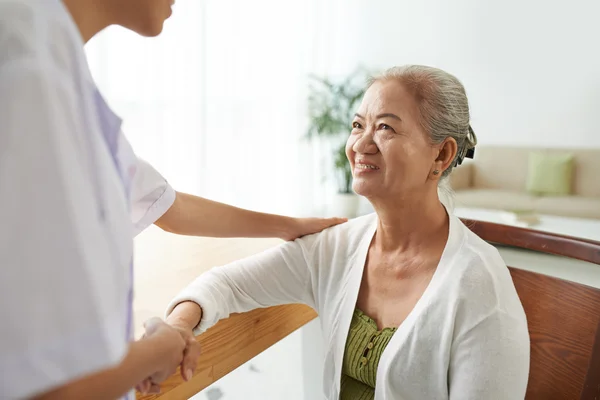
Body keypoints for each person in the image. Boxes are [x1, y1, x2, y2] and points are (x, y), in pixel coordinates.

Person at [0, 1, 345, 399]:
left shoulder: (55, 70)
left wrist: (290, 225)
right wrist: (154, 352)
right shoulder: (29, 80)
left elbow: (168, 205)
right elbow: (45, 388)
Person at [165, 65, 531, 400]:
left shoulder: (480, 287)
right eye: (358, 125)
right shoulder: (339, 246)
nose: (360, 145)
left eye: (385, 127)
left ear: (442, 155)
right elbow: (226, 285)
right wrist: (177, 326)